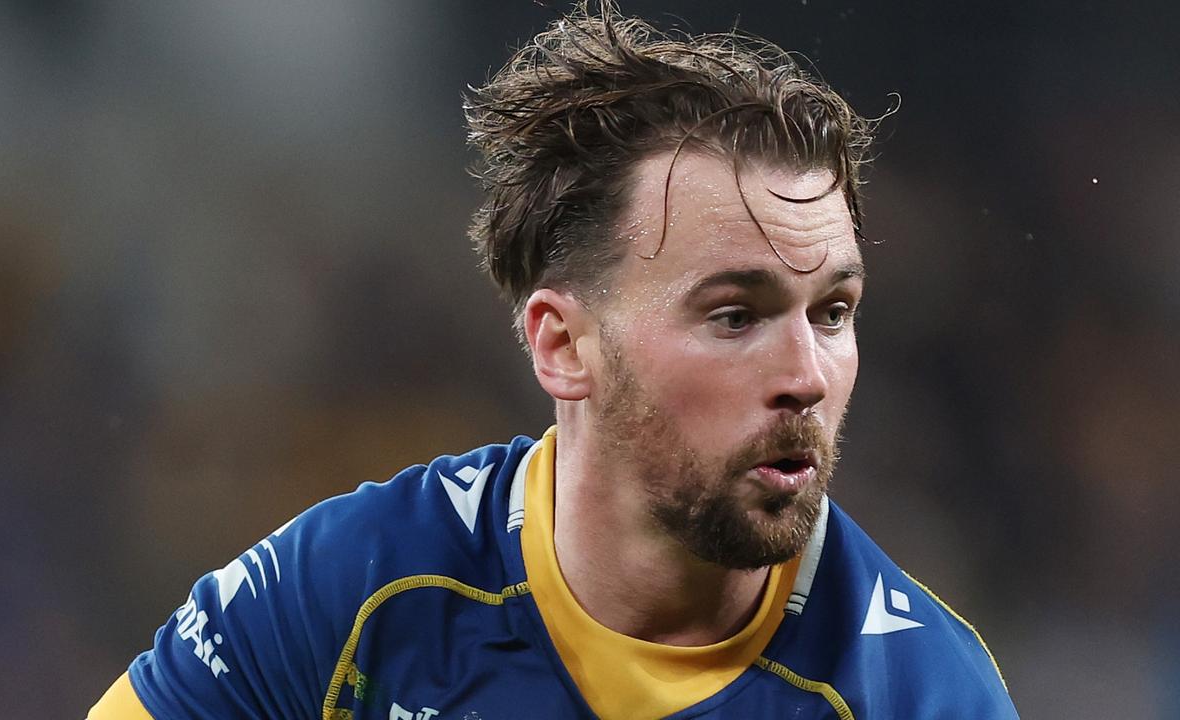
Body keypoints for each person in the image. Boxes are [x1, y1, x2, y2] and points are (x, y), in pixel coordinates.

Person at [89, 3, 1018, 718]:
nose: (807, 375)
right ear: (562, 345)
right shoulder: (355, 597)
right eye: (735, 316)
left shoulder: (922, 691)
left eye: (833, 312)